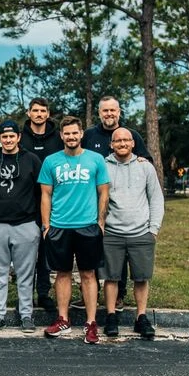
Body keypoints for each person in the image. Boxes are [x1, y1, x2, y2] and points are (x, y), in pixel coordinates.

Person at [38, 115, 110, 344]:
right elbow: (45, 195)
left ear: (81, 134)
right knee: (62, 273)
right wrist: (46, 226)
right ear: (61, 135)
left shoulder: (96, 159)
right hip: (59, 226)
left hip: (87, 226)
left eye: (74, 133)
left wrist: (100, 222)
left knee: (88, 274)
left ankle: (91, 323)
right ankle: (63, 320)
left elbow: (103, 192)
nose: (71, 137)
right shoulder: (51, 161)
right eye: (67, 133)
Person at [80, 95, 152, 312]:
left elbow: (145, 160)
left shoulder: (131, 135)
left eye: (113, 110)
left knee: (118, 252)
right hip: (91, 202)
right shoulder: (90, 135)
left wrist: (141, 159)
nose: (109, 114)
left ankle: (119, 296)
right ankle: (89, 295)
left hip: (120, 206)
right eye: (105, 110)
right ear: (99, 113)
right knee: (93, 251)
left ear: (119, 112)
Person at [0, 120, 43, 333]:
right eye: (4, 136)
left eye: (12, 136)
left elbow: (42, 193)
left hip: (26, 226)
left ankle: (26, 315)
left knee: (26, 275)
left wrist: (37, 224)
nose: (8, 140)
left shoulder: (32, 161)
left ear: (19, 137)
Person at [101, 128, 164, 340]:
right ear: (111, 144)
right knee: (111, 277)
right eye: (118, 140)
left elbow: (156, 198)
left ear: (133, 143)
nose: (122, 144)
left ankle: (141, 317)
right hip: (112, 233)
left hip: (141, 233)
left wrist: (153, 229)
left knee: (141, 277)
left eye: (126, 140)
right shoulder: (103, 166)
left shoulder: (145, 167)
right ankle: (111, 316)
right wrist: (100, 225)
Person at [19, 97, 65, 313]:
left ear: (48, 113)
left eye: (43, 111)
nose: (39, 114)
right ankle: (25, 296)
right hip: (25, 201)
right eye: (35, 110)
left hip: (53, 200)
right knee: (27, 252)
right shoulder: (21, 137)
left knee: (46, 250)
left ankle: (44, 293)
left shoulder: (57, 138)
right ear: (29, 113)